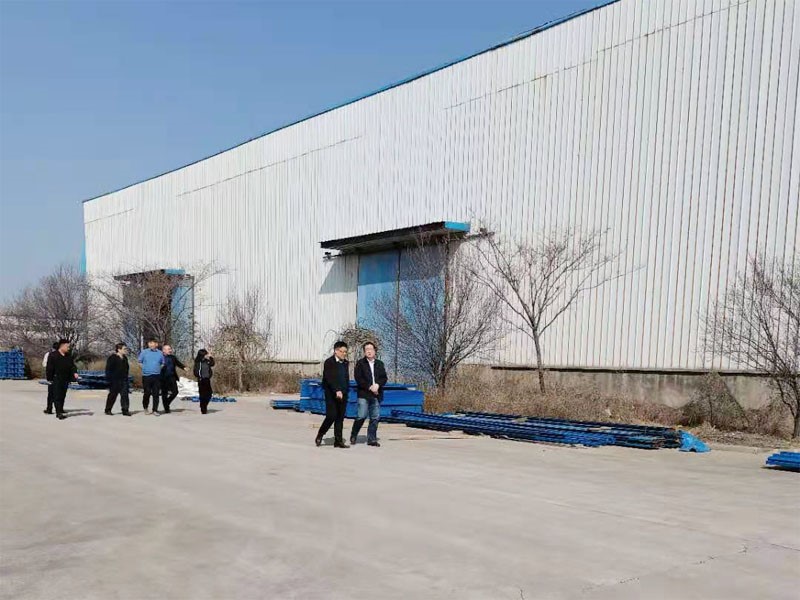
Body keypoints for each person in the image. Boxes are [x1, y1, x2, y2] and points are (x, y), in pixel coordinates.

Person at [350, 341, 388, 447]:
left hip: (376, 393)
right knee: (361, 415)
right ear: (364, 352)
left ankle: (372, 439)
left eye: (371, 349)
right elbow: (358, 378)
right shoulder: (360, 363)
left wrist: (378, 385)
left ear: (375, 351)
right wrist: (369, 387)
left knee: (375, 417)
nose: (369, 351)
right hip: (364, 393)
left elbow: (384, 378)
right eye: (366, 349)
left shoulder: (380, 364)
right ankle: (354, 434)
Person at [315, 341, 350, 448]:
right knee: (331, 416)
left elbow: (345, 378)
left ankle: (338, 441)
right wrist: (337, 390)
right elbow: (329, 378)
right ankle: (320, 434)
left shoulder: (345, 363)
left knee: (340, 418)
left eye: (345, 352)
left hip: (343, 393)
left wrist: (345, 390)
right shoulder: (329, 362)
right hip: (331, 393)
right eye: (342, 351)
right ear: (336, 351)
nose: (344, 354)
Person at [45, 339, 78, 420]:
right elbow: (49, 368)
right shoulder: (53, 355)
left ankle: (60, 409)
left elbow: (72, 366)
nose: (68, 348)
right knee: (57, 395)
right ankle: (58, 413)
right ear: (62, 346)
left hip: (65, 378)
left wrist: (74, 373)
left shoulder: (68, 356)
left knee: (63, 395)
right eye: (67, 346)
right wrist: (49, 378)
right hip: (56, 378)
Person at [138, 339, 164, 414]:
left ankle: (155, 410)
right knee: (147, 393)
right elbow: (139, 362)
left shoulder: (160, 353)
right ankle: (145, 407)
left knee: (156, 393)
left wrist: (158, 368)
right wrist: (144, 368)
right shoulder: (144, 352)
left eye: (152, 343)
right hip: (146, 376)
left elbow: (162, 363)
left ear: (156, 344)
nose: (151, 345)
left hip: (157, 376)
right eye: (150, 343)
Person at [105, 343, 132, 416]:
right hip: (114, 380)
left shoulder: (125, 358)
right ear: (119, 349)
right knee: (112, 395)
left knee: (125, 395)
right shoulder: (112, 358)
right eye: (124, 349)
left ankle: (125, 410)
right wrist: (109, 380)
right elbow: (108, 369)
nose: (126, 350)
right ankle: (108, 409)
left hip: (124, 380)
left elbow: (127, 368)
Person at [160, 344, 186, 414]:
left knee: (175, 392)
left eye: (170, 349)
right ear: (163, 350)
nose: (170, 350)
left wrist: (184, 367)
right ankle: (166, 408)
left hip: (172, 377)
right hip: (163, 377)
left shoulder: (173, 357)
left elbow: (178, 363)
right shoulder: (160, 357)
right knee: (164, 393)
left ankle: (167, 403)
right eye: (168, 349)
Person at [193, 349, 215, 414]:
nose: (206, 355)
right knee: (202, 394)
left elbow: (212, 364)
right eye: (206, 354)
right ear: (202, 355)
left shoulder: (207, 361)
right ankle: (203, 408)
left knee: (209, 394)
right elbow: (195, 371)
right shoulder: (197, 362)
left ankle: (203, 405)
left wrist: (211, 357)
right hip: (201, 380)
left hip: (207, 379)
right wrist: (199, 376)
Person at [42, 341, 59, 414]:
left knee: (51, 393)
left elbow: (44, 365)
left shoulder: (48, 354)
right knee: (58, 394)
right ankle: (59, 409)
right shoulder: (63, 355)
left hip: (52, 376)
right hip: (59, 377)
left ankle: (49, 409)